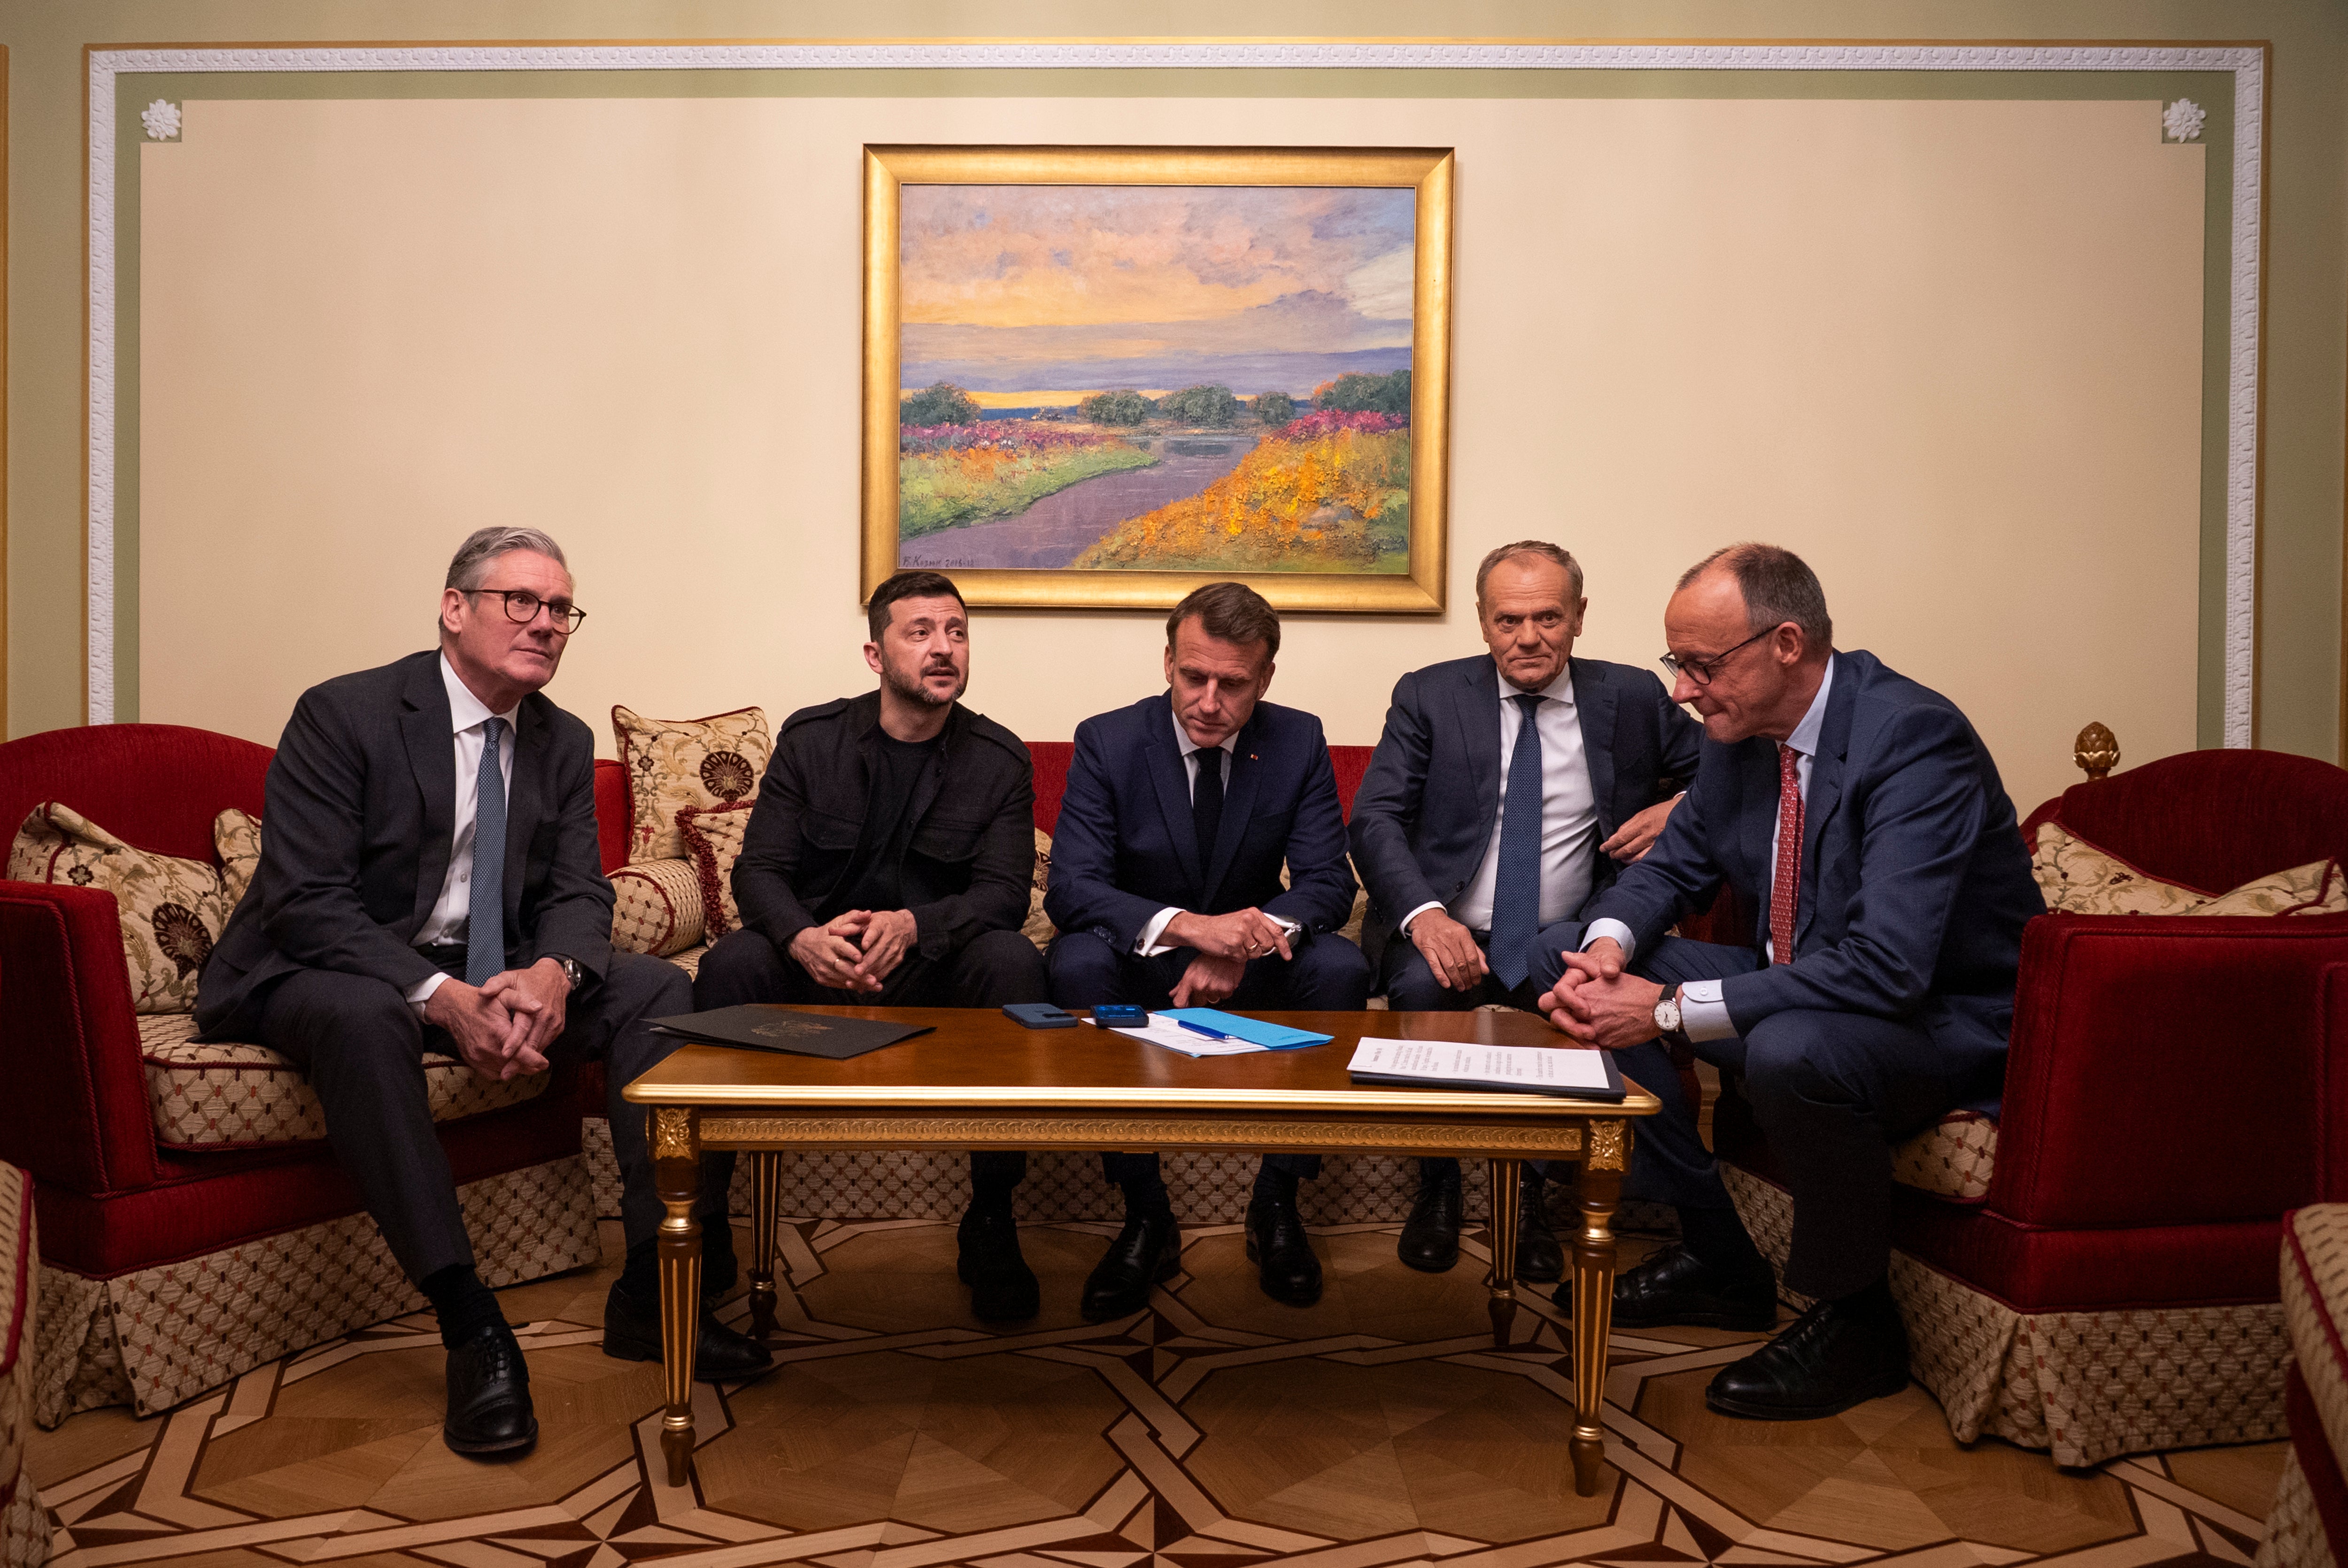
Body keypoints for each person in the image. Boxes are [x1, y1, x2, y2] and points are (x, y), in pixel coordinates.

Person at [195, 526, 773, 1460]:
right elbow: (306, 901)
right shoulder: (345, 714)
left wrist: (556, 974)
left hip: (480, 964)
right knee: (366, 1013)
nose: (546, 624)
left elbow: (578, 892)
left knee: (660, 988)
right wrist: (437, 994)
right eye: (523, 602)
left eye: (560, 609)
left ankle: (653, 1292)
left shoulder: (561, 738)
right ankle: (472, 1325)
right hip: (317, 968)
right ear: (454, 608)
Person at [1536, 542, 2041, 1421]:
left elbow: (1888, 966)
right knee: (1562, 958)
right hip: (1804, 976)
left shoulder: (1912, 738)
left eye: (1703, 665)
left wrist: (1661, 1011)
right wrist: (1610, 948)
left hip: (1939, 1018)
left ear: (1788, 644)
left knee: (1791, 1049)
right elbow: (1671, 868)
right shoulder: (1738, 737)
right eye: (1676, 663)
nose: (1684, 691)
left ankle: (1857, 1323)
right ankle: (1723, 1257)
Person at [693, 569, 1051, 1324]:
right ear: (874, 654)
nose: (943, 649)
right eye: (919, 633)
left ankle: (990, 1219)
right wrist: (802, 938)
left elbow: (1004, 895)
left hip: (933, 973)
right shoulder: (813, 740)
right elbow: (759, 871)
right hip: (818, 973)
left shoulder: (999, 758)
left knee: (1015, 962)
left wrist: (919, 926)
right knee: (733, 963)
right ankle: (710, 1215)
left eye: (956, 632)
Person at [1349, 541, 1702, 1279]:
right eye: (1509, 620)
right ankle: (1438, 1190)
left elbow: (1737, 767)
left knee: (1569, 993)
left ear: (1578, 617)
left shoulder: (1634, 697)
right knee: (1420, 989)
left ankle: (1532, 1200)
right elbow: (1376, 818)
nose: (1529, 637)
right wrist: (1424, 915)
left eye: (1548, 616)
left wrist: (1677, 806)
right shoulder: (1429, 694)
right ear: (1483, 623)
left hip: (1567, 930)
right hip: (1442, 927)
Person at [1046, 582, 1372, 1316]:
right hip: (1145, 963)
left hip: (1250, 963)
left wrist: (1244, 944)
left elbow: (1328, 884)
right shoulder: (1110, 740)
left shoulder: (1297, 739)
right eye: (1194, 677)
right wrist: (1195, 929)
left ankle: (1278, 1202)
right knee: (1074, 962)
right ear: (1168, 662)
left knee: (1342, 966)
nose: (1209, 701)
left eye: (1234, 684)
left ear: (1265, 679)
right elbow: (1072, 888)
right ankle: (1145, 1211)